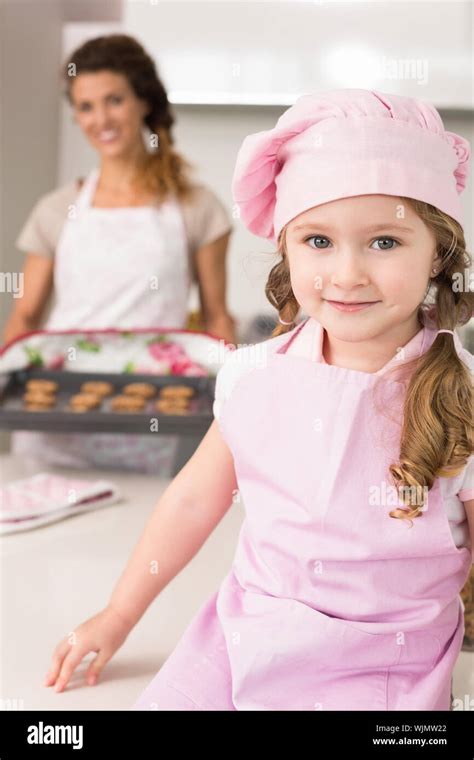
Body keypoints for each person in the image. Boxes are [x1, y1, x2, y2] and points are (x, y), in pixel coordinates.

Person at [44, 89, 473, 710]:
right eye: (318, 241)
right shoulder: (253, 375)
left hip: (387, 660)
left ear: (439, 253)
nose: (347, 274)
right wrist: (118, 614)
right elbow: (193, 500)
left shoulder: (460, 393)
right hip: (245, 632)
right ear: (287, 250)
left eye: (385, 242)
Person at [4, 34, 236, 474]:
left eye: (114, 100)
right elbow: (25, 318)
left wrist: (236, 396)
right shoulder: (57, 208)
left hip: (149, 410)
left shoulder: (197, 206)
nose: (100, 119)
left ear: (143, 101)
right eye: (85, 106)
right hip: (56, 407)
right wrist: (8, 386)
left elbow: (216, 317)